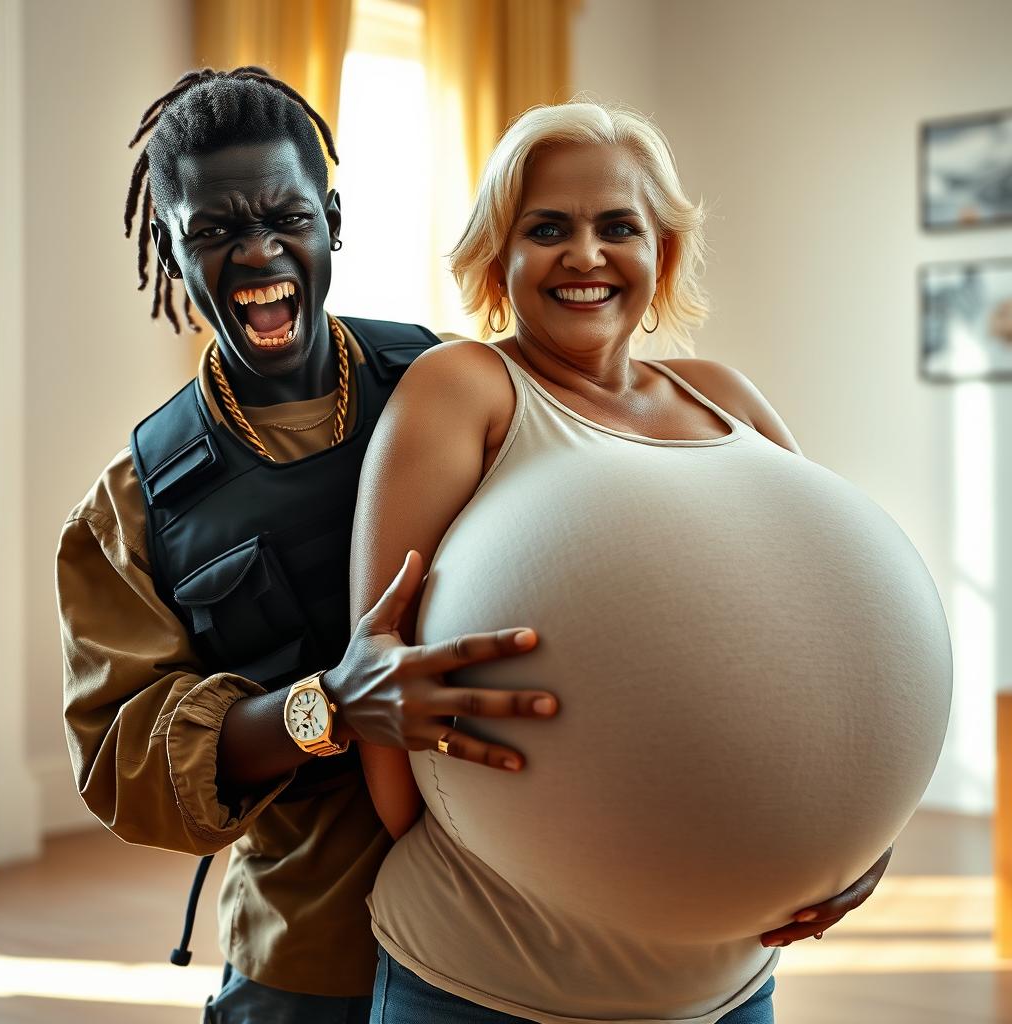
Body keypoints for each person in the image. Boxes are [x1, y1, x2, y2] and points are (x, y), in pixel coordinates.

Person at [350, 101, 895, 1023]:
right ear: (498, 254)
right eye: (547, 229)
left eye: (618, 227)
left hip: (726, 985)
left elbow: (835, 622)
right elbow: (381, 666)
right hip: (490, 976)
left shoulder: (725, 397)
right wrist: (493, 840)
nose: (586, 255)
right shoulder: (464, 390)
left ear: (662, 252)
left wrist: (852, 834)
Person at [57, 67, 560, 1023]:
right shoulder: (127, 511)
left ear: (332, 220)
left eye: (286, 216)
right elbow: (128, 768)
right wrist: (326, 708)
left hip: (513, 923)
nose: (257, 251)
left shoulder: (457, 388)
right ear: (168, 248)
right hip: (313, 956)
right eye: (214, 230)